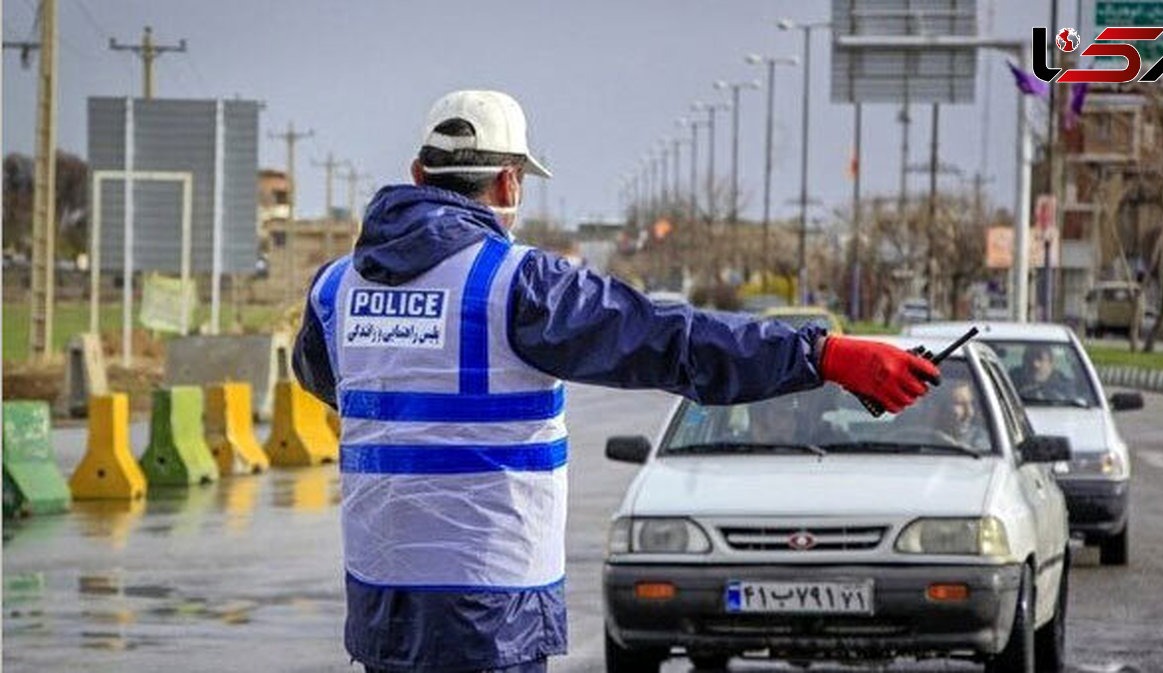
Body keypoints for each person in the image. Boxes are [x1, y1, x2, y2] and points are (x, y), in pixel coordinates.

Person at [292, 90, 941, 673]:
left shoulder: (333, 288)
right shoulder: (517, 283)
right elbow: (668, 340)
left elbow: (335, 385)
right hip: (488, 604)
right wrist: (820, 354)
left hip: (379, 597)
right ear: (509, 184)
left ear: (417, 175)